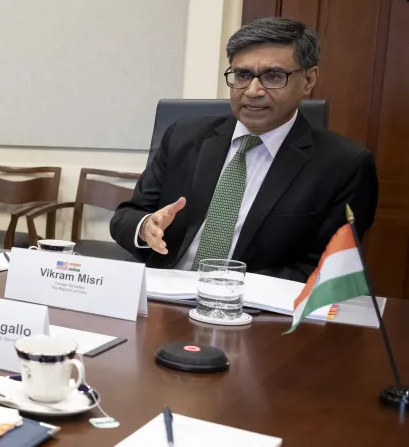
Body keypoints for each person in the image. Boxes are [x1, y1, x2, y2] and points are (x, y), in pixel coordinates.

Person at [110, 17, 378, 281]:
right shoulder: (184, 136)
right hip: (163, 297)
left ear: (308, 80)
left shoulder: (345, 165)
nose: (253, 91)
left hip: (257, 311)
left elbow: (325, 269)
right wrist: (146, 228)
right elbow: (126, 216)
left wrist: (228, 290)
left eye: (273, 76)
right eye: (243, 75)